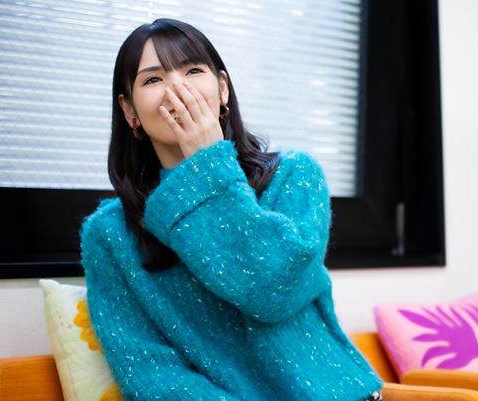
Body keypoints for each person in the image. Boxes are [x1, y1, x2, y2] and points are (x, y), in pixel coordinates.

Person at [80, 18, 383, 401]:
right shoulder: (109, 234)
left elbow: (275, 290)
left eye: (193, 71)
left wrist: (208, 163)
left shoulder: (294, 175)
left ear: (222, 88)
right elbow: (149, 371)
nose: (178, 89)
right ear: (130, 110)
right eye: (153, 79)